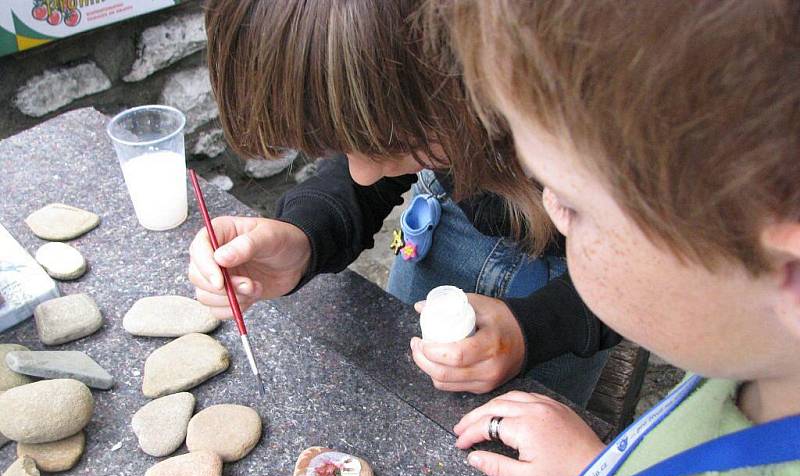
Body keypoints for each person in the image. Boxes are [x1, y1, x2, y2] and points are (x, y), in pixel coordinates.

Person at [265, 0, 800, 476]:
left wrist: (541, 328)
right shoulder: (747, 373)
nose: (546, 210)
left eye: (571, 202)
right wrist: (598, 473)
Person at [189, 0, 618, 408]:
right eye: (343, 146)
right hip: (444, 222)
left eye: (397, 144)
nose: (362, 173)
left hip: (591, 276)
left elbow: (658, 275)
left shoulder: (612, 98)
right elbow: (372, 147)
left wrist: (538, 330)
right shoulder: (433, 90)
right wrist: (306, 234)